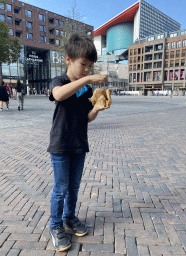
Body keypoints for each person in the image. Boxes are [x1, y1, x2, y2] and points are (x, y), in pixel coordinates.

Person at [47, 32, 108, 252]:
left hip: (79, 144)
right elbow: (59, 95)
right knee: (60, 189)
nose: (86, 70)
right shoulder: (60, 81)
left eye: (90, 66)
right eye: (83, 64)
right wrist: (87, 79)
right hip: (61, 146)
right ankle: (55, 225)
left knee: (73, 188)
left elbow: (87, 118)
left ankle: (69, 218)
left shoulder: (86, 88)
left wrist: (97, 108)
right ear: (68, 59)